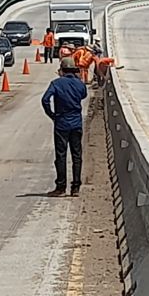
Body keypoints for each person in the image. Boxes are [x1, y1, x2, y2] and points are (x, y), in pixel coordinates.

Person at [42, 57, 88, 197]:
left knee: (61, 155)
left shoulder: (56, 83)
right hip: (76, 123)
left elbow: (45, 100)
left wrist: (52, 115)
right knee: (77, 155)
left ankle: (61, 186)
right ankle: (75, 187)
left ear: (62, 70)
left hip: (61, 123)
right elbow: (83, 95)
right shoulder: (79, 84)